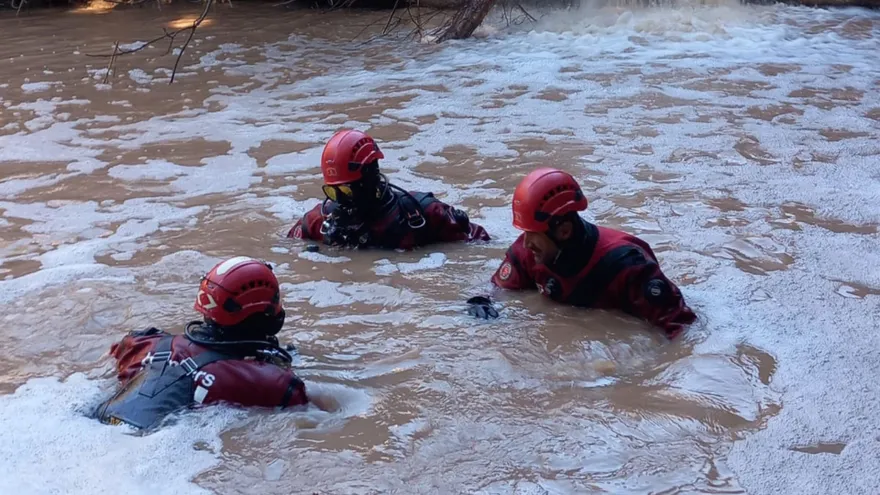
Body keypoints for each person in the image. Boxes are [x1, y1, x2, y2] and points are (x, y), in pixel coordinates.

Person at [466, 167, 697, 339]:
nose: (525, 243)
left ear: (564, 231)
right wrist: (481, 301)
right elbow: (497, 289)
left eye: (532, 234)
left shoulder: (628, 265)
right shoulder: (528, 253)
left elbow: (684, 332)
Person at [96, 256, 308, 431]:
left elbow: (109, 359)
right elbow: (312, 414)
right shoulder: (275, 383)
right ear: (263, 314)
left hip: (94, 427)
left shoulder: (142, 342)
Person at [288, 129, 491, 250]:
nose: (340, 200)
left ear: (370, 178)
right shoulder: (318, 221)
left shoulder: (422, 214)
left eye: (347, 191)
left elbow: (481, 247)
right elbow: (286, 250)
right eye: (333, 192)